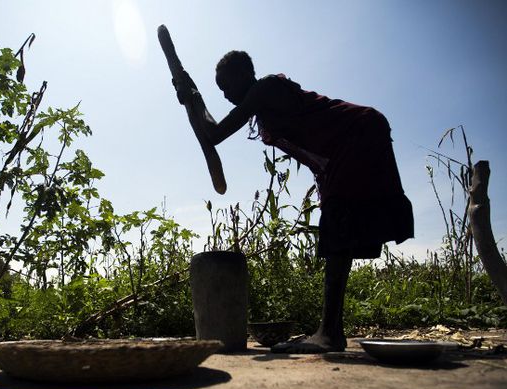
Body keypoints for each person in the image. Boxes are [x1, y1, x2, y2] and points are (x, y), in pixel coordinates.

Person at [174, 50, 413, 353]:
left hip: (355, 134)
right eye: (219, 91)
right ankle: (330, 331)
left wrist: (193, 97)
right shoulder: (261, 102)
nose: (225, 95)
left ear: (244, 75)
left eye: (226, 86)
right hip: (345, 146)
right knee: (341, 222)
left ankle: (329, 333)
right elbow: (212, 131)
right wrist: (192, 99)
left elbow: (216, 133)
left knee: (339, 222)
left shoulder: (266, 88)